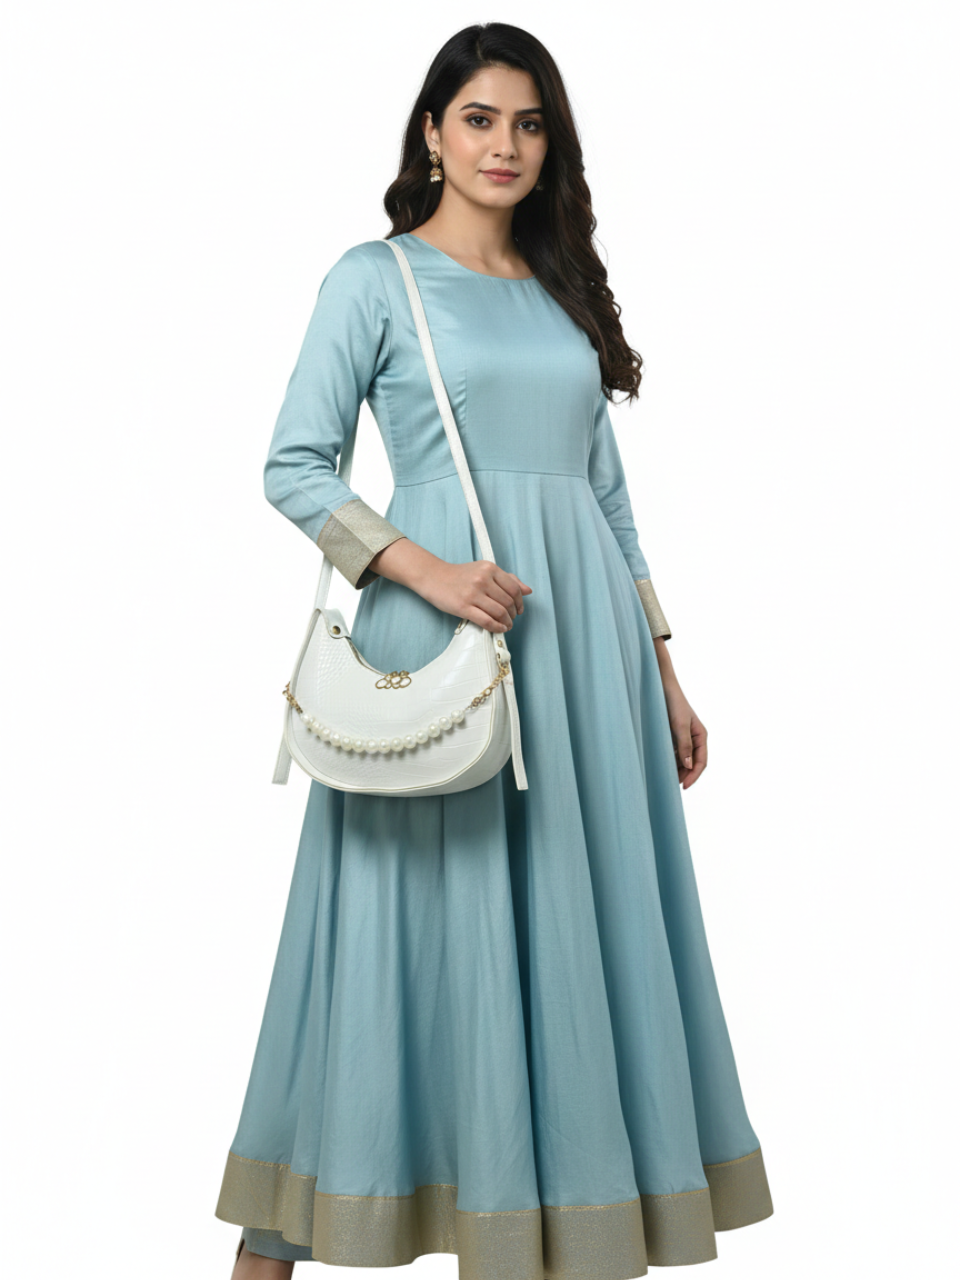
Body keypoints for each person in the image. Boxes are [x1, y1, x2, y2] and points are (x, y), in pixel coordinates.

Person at [216, 21, 773, 1279]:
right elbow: (292, 465)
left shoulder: (562, 286)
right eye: (479, 118)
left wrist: (665, 666)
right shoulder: (373, 278)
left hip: (588, 661)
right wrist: (429, 572)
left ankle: (549, 1232)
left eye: (528, 123)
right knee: (398, 939)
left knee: (578, 937)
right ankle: (287, 1240)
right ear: (432, 132)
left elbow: (605, 492)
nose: (504, 145)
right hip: (441, 643)